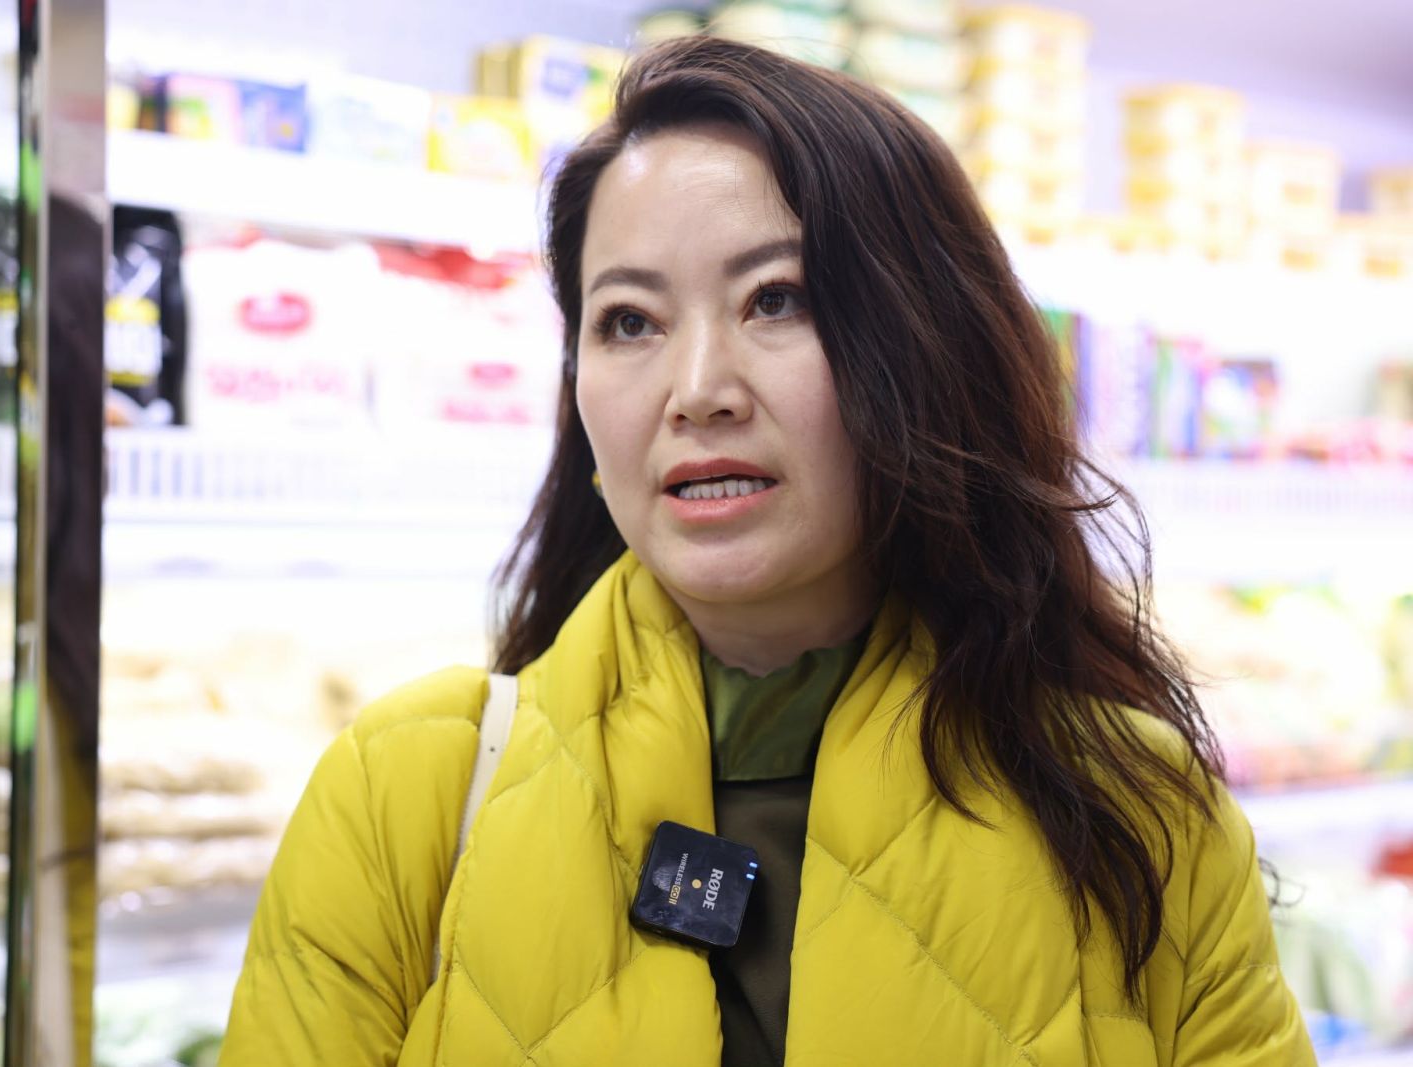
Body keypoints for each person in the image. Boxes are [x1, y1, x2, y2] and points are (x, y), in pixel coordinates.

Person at [219, 36, 1314, 1066]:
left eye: (775, 300)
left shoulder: (1138, 816)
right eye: (629, 321)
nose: (697, 390)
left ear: (924, 351)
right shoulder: (403, 793)